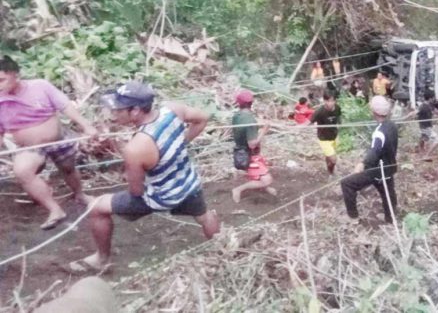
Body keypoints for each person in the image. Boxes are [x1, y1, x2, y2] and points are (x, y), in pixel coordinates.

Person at [70, 81, 220, 272]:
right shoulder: (173, 109)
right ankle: (224, 248)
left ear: (135, 111)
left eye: (118, 109)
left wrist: (128, 168)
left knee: (97, 207)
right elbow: (203, 118)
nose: (113, 113)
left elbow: (136, 190)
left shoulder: (136, 148)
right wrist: (181, 143)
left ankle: (101, 259)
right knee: (205, 217)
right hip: (188, 184)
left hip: (161, 196)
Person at [0, 55, 98, 230]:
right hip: (30, 148)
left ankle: (80, 194)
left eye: (2, 80)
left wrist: (87, 126)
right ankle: (55, 209)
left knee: (68, 168)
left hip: (58, 139)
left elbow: (65, 107)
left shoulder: (40, 86)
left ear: (15, 74)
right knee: (22, 171)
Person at [340, 96, 398, 223]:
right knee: (388, 191)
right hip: (389, 166)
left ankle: (353, 217)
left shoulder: (380, 132)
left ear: (374, 112)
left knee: (347, 183)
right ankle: (390, 218)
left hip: (378, 170)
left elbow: (375, 151)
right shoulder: (392, 125)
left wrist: (362, 164)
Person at [231, 89, 276, 203]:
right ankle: (238, 189)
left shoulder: (237, 115)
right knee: (267, 179)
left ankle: (263, 187)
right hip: (249, 154)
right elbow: (252, 144)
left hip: (241, 149)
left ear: (239, 103)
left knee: (259, 173)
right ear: (251, 103)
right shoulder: (250, 120)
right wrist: (264, 131)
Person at [308, 92, 341, 175]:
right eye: (328, 101)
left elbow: (339, 117)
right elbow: (309, 121)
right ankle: (331, 172)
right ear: (324, 101)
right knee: (333, 159)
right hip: (323, 138)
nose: (331, 103)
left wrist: (340, 126)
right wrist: (299, 127)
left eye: (333, 101)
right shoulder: (319, 111)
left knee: (328, 156)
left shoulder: (337, 108)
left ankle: (329, 169)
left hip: (334, 136)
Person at [414, 90, 438, 155]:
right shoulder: (423, 106)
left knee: (424, 137)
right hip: (425, 127)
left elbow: (435, 110)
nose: (434, 99)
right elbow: (414, 113)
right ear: (430, 98)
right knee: (437, 141)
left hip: (426, 126)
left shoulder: (430, 105)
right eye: (433, 97)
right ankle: (426, 155)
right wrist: (404, 118)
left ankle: (418, 148)